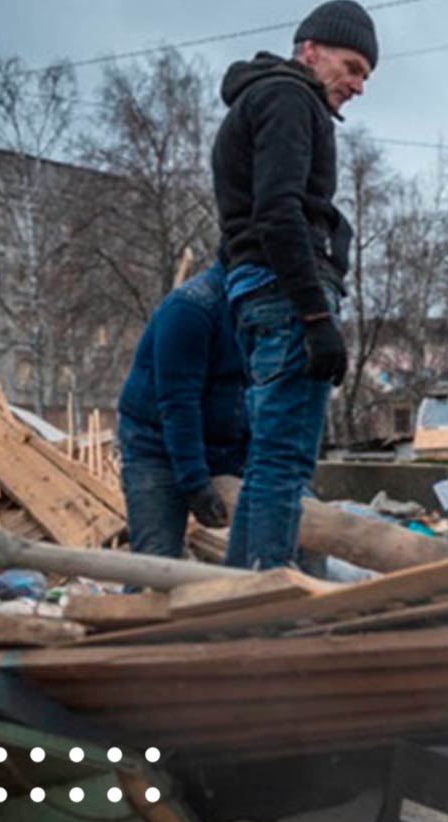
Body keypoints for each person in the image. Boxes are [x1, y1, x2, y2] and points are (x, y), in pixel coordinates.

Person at [210, 0, 376, 569]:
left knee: (266, 464)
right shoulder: (287, 98)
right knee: (283, 465)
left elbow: (242, 225)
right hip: (286, 297)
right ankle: (268, 615)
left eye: (364, 75)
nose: (357, 85)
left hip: (261, 294)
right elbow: (277, 211)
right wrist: (315, 318)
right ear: (311, 50)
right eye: (351, 66)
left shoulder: (259, 100)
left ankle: (240, 600)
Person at [115, 263, 248, 558]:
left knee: (290, 543)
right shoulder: (191, 308)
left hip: (225, 447)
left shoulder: (264, 309)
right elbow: (178, 403)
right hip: (156, 444)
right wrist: (196, 483)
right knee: (155, 564)